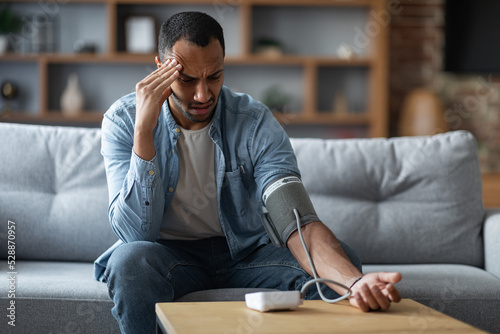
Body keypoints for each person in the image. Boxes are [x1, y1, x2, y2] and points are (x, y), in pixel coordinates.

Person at [94, 11, 402, 334]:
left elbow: (296, 220)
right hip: (168, 256)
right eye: (187, 79)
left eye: (214, 76)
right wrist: (144, 132)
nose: (202, 95)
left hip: (243, 255)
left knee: (339, 267)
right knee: (128, 264)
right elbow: (134, 236)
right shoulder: (124, 121)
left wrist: (354, 282)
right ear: (161, 68)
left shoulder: (254, 122)